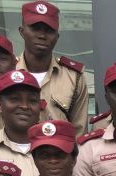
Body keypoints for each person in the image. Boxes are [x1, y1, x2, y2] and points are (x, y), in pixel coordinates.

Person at [15, 1, 88, 132]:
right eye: (35, 28)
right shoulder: (7, 72)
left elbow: (79, 133)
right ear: (22, 31)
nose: (42, 35)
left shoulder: (74, 77)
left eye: (49, 30)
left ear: (57, 36)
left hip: (57, 152)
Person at [0, 70, 42, 176]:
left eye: (32, 100)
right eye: (15, 99)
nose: (24, 106)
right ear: (0, 106)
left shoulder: (55, 148)